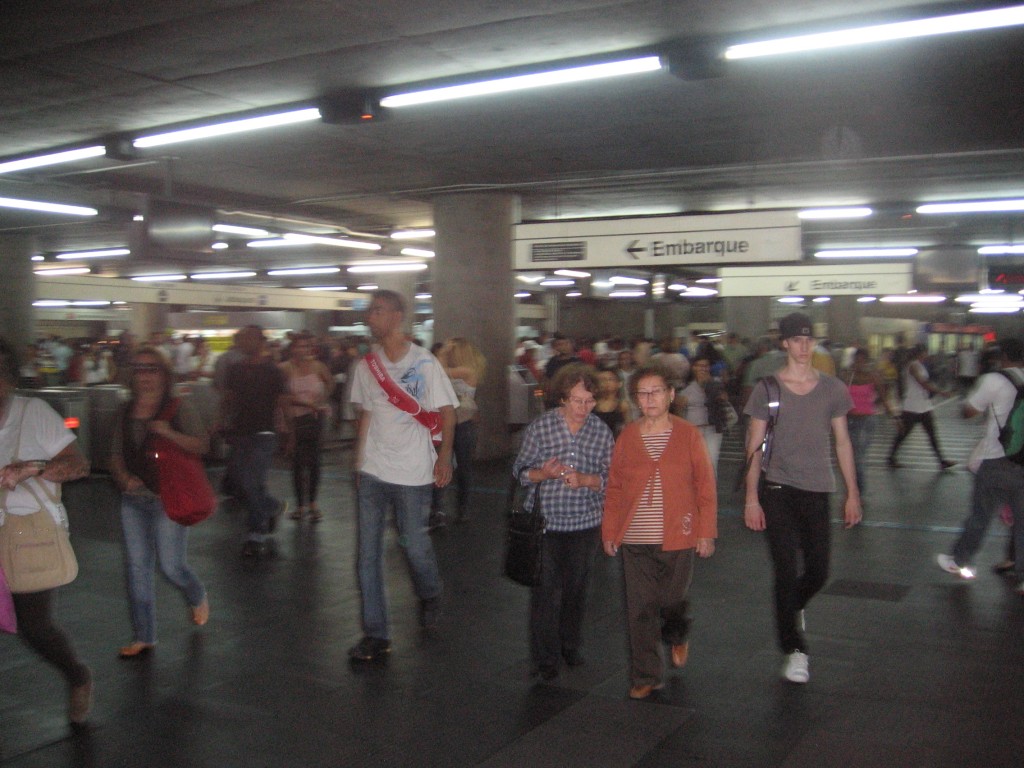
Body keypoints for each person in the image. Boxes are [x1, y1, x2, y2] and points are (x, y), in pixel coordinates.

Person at [743, 313, 862, 684]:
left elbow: (842, 442)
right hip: (776, 488)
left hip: (817, 489)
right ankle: (794, 648)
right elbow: (754, 446)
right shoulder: (767, 388)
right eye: (796, 340)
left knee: (819, 570)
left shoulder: (832, 389)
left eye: (809, 340)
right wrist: (751, 497)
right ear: (785, 343)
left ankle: (791, 606)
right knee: (783, 569)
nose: (803, 346)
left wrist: (852, 494)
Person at [348, 290, 458, 661]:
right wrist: (359, 463)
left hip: (413, 473)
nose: (370, 317)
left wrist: (443, 458)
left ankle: (430, 593)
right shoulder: (367, 367)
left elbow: (447, 412)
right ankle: (376, 634)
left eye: (377, 311)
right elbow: (365, 415)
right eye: (369, 311)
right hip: (375, 471)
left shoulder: (424, 363)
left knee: (413, 544)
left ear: (396, 316)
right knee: (367, 555)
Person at [602, 363, 717, 700]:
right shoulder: (627, 436)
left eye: (655, 392)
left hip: (678, 534)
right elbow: (615, 488)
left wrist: (705, 532)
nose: (648, 399)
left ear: (670, 395)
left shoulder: (687, 434)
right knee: (639, 608)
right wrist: (610, 531)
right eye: (642, 393)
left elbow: (705, 486)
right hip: (635, 539)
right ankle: (645, 675)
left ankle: (678, 631)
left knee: (670, 600)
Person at [0, 337, 93, 725]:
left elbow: (79, 465)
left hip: (26, 536)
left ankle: (77, 675)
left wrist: (33, 467)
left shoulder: (33, 413)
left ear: (8, 380)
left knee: (34, 627)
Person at [512, 364, 614, 681]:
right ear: (562, 399)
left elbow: (615, 481)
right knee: (544, 591)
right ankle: (545, 658)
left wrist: (587, 480)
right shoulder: (541, 429)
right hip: (547, 524)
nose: (584, 408)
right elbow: (520, 472)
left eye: (589, 401)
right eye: (577, 401)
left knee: (576, 590)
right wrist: (543, 473)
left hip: (585, 524)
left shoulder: (601, 432)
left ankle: (570, 644)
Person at [109, 347, 210, 658]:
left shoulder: (178, 408)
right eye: (139, 369)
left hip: (169, 498)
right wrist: (123, 478)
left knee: (170, 566)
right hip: (134, 500)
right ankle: (144, 635)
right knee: (137, 567)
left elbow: (202, 444)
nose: (145, 375)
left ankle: (196, 592)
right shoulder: (124, 411)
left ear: (164, 374)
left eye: (152, 369)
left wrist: (168, 432)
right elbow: (113, 454)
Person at [937, 338, 1024, 593]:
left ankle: (960, 561)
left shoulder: (995, 380)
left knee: (980, 515)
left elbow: (969, 411)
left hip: (997, 459)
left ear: (1003, 356)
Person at [218, 325, 288, 557]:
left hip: (264, 433)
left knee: (252, 482)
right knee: (240, 481)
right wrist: (219, 422)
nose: (244, 342)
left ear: (260, 341)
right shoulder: (234, 369)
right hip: (240, 432)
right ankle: (270, 506)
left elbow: (282, 403)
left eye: (249, 338)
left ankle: (255, 533)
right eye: (242, 338)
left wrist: (288, 433)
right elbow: (228, 399)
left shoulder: (273, 371)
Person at [279, 332, 334, 523]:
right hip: (295, 420)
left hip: (316, 419)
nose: (303, 350)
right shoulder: (285, 368)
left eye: (306, 346)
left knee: (314, 462)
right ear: (292, 348)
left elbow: (330, 383)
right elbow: (282, 397)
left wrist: (322, 398)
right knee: (297, 463)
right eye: (299, 346)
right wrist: (305, 404)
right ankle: (300, 506)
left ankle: (313, 503)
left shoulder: (318, 366)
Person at [437, 337, 486, 523]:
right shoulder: (462, 371)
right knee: (443, 465)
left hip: (463, 424)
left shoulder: (468, 371)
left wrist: (441, 353)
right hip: (451, 422)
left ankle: (462, 509)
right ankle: (441, 508)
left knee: (464, 468)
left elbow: (440, 373)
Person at [888, 344, 956, 470]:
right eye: (925, 352)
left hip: (923, 405)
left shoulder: (919, 365)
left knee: (931, 433)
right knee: (903, 433)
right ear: (920, 353)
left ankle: (942, 460)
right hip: (912, 406)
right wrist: (941, 392)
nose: (927, 355)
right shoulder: (913, 365)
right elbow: (922, 382)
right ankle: (891, 457)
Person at [844, 348, 896, 496]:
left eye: (862, 360)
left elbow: (884, 398)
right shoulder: (848, 377)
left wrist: (894, 417)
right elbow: (839, 399)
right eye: (857, 360)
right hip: (851, 420)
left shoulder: (873, 377)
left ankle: (857, 491)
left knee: (859, 457)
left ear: (867, 362)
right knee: (853, 456)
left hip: (867, 421)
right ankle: (854, 487)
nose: (859, 363)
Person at [678, 355, 731, 474]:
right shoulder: (686, 387)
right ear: (693, 368)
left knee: (711, 462)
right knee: (695, 463)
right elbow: (680, 409)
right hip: (694, 429)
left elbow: (723, 399)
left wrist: (709, 384)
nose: (703, 369)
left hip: (712, 428)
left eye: (706, 366)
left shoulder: (715, 383)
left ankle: (711, 490)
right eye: (699, 366)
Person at [593, 366, 631, 438]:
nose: (606, 383)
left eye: (610, 379)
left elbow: (629, 428)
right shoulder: (591, 404)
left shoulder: (622, 405)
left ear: (619, 383)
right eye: (602, 380)